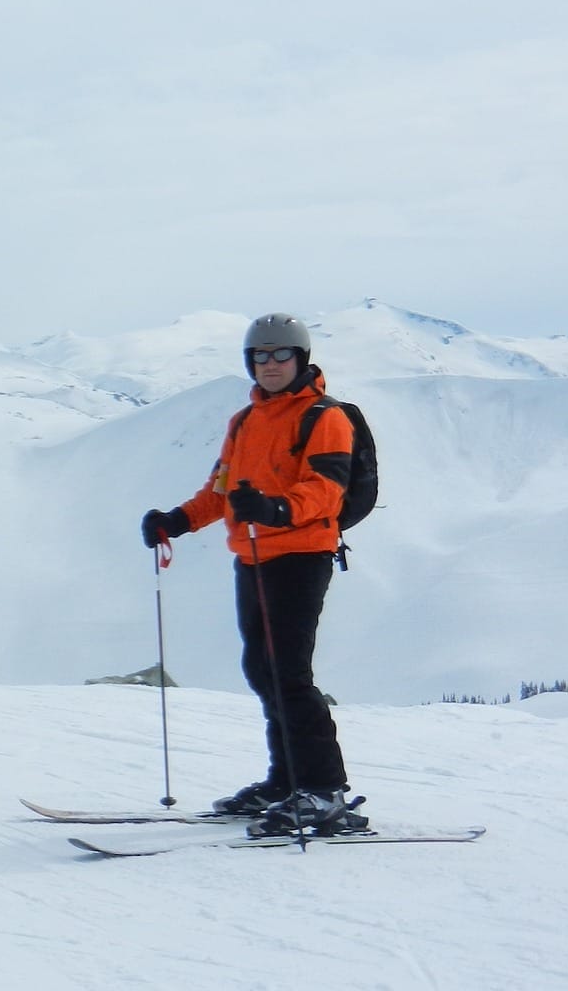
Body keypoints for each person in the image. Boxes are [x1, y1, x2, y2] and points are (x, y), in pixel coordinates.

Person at [139, 313, 367, 836]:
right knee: (263, 671)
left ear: (301, 360)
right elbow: (222, 491)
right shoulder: (244, 421)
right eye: (259, 356)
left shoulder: (324, 417)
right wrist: (177, 521)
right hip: (254, 557)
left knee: (288, 673)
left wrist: (275, 510)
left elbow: (326, 490)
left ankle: (324, 791)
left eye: (280, 355)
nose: (269, 365)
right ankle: (288, 780)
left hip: (301, 555)